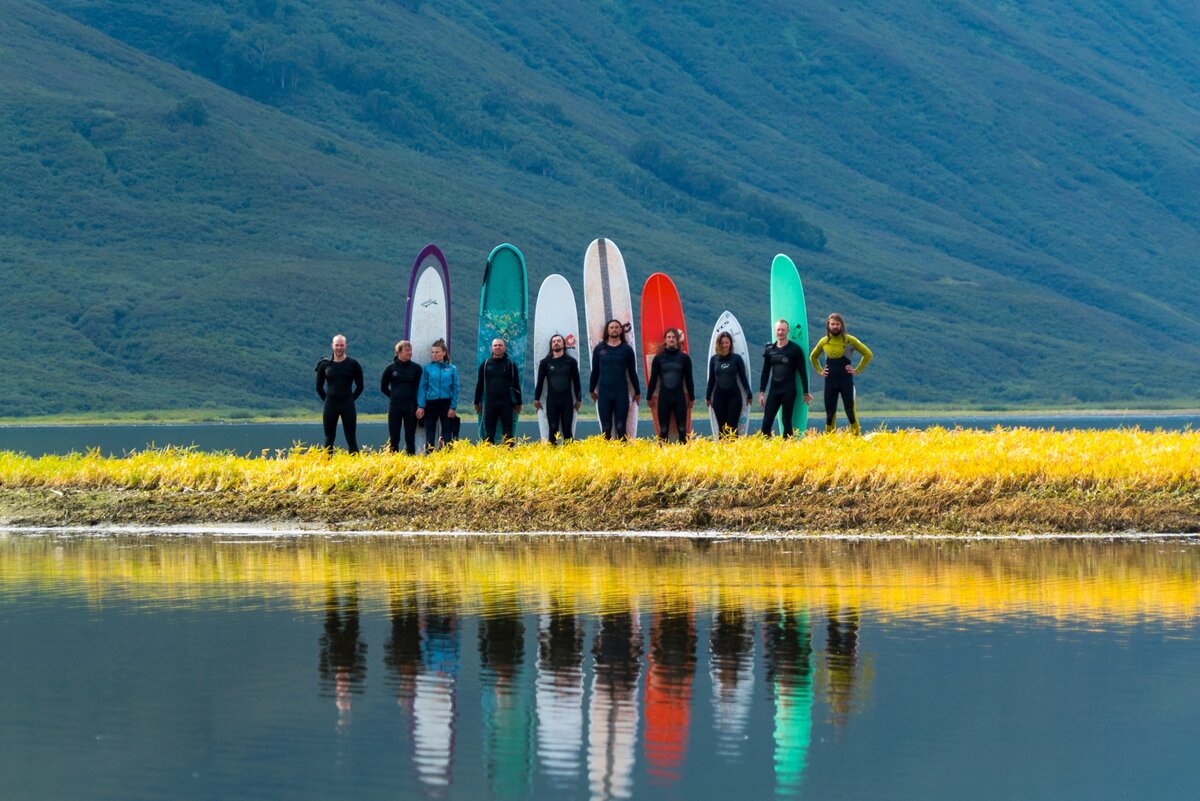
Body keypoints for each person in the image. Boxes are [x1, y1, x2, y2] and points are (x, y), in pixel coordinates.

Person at [809, 313, 873, 435]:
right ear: (828, 325)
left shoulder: (850, 340)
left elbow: (868, 354)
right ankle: (829, 439)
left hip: (846, 382)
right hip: (830, 382)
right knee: (829, 414)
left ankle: (857, 438)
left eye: (838, 324)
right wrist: (819, 370)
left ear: (842, 325)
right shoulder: (824, 341)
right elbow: (813, 357)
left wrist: (857, 370)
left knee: (850, 412)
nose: (835, 327)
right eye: (832, 324)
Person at [758, 320, 812, 438]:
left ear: (788, 331)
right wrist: (762, 392)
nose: (780, 332)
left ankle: (787, 448)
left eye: (783, 330)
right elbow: (765, 372)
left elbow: (803, 373)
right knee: (767, 421)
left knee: (786, 420)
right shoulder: (770, 349)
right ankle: (764, 448)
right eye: (778, 330)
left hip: (789, 390)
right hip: (774, 391)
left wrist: (806, 393)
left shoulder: (795, 349)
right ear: (775, 331)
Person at [589, 319, 641, 440]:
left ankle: (623, 456)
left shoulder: (626, 349)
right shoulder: (599, 349)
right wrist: (592, 390)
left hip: (621, 393)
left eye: (617, 327)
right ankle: (607, 455)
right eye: (611, 327)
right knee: (606, 428)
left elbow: (632, 372)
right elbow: (595, 371)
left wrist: (637, 392)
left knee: (621, 427)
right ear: (607, 330)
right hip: (604, 393)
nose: (614, 329)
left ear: (621, 330)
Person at [315, 334, 363, 453]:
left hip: (348, 404)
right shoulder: (324, 365)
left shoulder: (353, 364)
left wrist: (351, 399)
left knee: (351, 439)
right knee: (328, 439)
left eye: (341, 345)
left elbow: (360, 386)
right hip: (330, 405)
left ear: (345, 346)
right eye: (337, 345)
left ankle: (356, 467)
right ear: (332, 346)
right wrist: (327, 400)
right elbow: (318, 387)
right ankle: (326, 467)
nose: (339, 348)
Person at [647, 328, 694, 442]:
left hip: (679, 398)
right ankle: (663, 455)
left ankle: (684, 454)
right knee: (663, 429)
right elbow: (653, 379)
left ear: (677, 340)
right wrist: (649, 396)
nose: (671, 339)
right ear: (665, 340)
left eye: (673, 337)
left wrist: (692, 398)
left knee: (682, 429)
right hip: (664, 398)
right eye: (669, 337)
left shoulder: (684, 358)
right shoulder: (659, 358)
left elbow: (689, 379)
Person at [533, 334, 582, 444]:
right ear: (551, 345)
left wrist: (579, 400)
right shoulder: (545, 362)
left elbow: (577, 382)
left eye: (559, 341)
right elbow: (540, 382)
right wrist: (536, 399)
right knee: (553, 431)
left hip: (567, 401)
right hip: (552, 402)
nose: (556, 343)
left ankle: (569, 458)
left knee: (567, 431)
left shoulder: (571, 361)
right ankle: (552, 458)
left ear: (564, 344)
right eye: (553, 341)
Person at [474, 338, 523, 446]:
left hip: (507, 403)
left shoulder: (511, 364)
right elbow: (480, 385)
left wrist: (519, 403)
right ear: (491, 348)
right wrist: (476, 402)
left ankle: (509, 456)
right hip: (490, 403)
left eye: (500, 345)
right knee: (489, 433)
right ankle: (488, 456)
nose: (498, 347)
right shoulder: (485, 364)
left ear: (505, 348)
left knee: (508, 434)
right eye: (495, 345)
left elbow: (516, 385)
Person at [705, 331, 752, 438]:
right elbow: (711, 379)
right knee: (722, 428)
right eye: (722, 343)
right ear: (718, 344)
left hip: (734, 397)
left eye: (727, 343)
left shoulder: (736, 358)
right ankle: (723, 453)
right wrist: (708, 397)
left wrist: (749, 394)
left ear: (730, 343)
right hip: (718, 397)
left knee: (732, 427)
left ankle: (734, 452)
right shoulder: (714, 359)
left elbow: (743, 378)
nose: (724, 345)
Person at [380, 340, 423, 455]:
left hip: (411, 407)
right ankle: (394, 463)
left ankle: (411, 464)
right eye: (407, 350)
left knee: (410, 438)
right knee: (394, 438)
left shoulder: (416, 368)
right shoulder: (390, 369)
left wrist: (420, 406)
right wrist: (394, 397)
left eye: (410, 350)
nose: (410, 353)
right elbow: (383, 387)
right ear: (398, 352)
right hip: (395, 407)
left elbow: (421, 389)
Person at [417, 339, 458, 451]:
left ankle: (447, 457)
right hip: (431, 403)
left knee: (447, 432)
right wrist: (421, 405)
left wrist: (453, 407)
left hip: (446, 403)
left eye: (437, 352)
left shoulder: (451, 369)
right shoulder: (427, 368)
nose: (434, 355)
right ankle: (430, 456)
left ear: (444, 353)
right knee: (430, 432)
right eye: (433, 352)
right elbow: (422, 387)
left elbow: (455, 389)